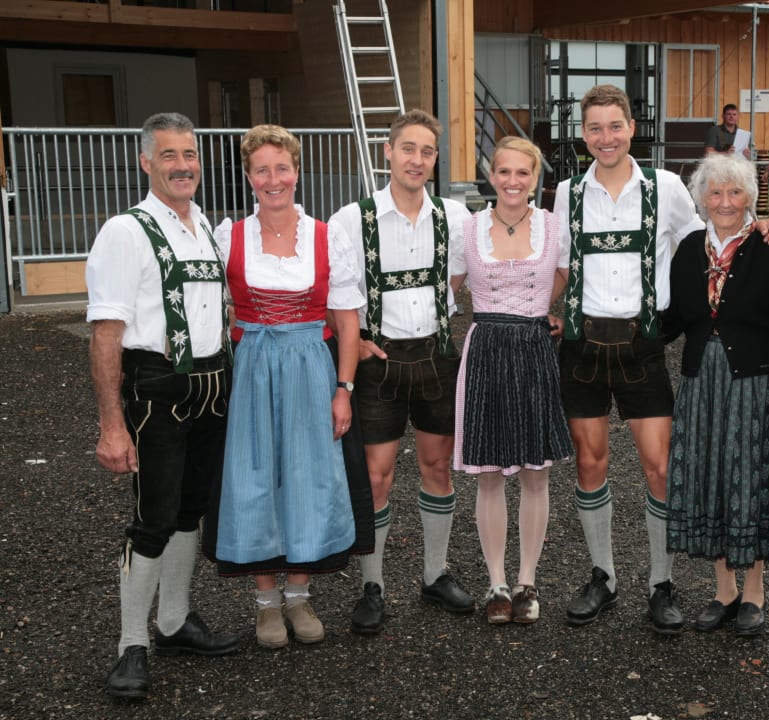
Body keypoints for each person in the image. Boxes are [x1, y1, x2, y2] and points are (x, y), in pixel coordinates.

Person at [554, 84, 769, 634]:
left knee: (660, 468)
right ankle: (603, 576)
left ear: (632, 128)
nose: (606, 137)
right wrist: (543, 310)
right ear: (583, 134)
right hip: (584, 346)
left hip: (643, 343)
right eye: (595, 128)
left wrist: (766, 224)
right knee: (589, 464)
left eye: (615, 126)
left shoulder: (664, 187)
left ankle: (661, 582)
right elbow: (561, 264)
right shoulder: (567, 192)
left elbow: (708, 242)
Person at [87, 112, 239, 700]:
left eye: (190, 154)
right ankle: (132, 644)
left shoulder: (205, 228)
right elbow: (106, 335)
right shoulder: (125, 231)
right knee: (153, 516)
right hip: (157, 387)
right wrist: (112, 425)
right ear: (146, 161)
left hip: (212, 383)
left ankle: (173, 622)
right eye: (169, 155)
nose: (182, 166)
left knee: (189, 510)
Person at [200, 124, 364, 649]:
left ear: (297, 171)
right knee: (253, 476)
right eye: (261, 170)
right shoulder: (228, 236)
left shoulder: (326, 236)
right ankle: (266, 603)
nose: (273, 179)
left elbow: (347, 321)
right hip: (251, 367)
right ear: (248, 176)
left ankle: (299, 594)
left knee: (306, 474)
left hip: (311, 366)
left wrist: (344, 388)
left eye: (282, 168)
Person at [329, 109, 474, 634]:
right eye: (407, 148)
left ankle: (435, 573)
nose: (417, 159)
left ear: (435, 159)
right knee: (376, 476)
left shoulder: (456, 217)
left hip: (436, 355)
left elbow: (458, 279)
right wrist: (357, 341)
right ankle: (373, 585)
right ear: (387, 152)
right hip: (380, 361)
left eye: (427, 151)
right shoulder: (352, 219)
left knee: (437, 467)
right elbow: (336, 298)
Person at [663, 153, 769, 637]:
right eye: (715, 192)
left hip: (756, 381)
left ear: (749, 198)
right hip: (701, 381)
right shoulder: (688, 250)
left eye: (735, 192)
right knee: (709, 478)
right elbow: (673, 320)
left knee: (752, 479)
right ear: (701, 198)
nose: (724, 202)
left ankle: (755, 591)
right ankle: (723, 589)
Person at [450, 137, 572, 625]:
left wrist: (541, 310)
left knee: (535, 474)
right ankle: (497, 582)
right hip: (486, 348)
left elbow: (562, 275)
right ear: (491, 175)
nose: (513, 181)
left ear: (535, 177)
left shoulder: (553, 225)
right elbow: (449, 288)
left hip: (533, 348)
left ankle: (527, 581)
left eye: (523, 172)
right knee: (489, 474)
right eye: (504, 171)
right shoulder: (469, 227)